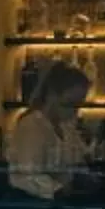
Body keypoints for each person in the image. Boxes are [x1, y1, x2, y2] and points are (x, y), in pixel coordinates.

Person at [7, 62, 93, 199]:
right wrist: (59, 189)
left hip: (62, 204)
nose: (75, 111)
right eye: (70, 104)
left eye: (79, 105)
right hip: (33, 205)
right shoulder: (32, 125)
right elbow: (27, 176)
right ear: (52, 95)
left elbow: (81, 160)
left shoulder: (67, 127)